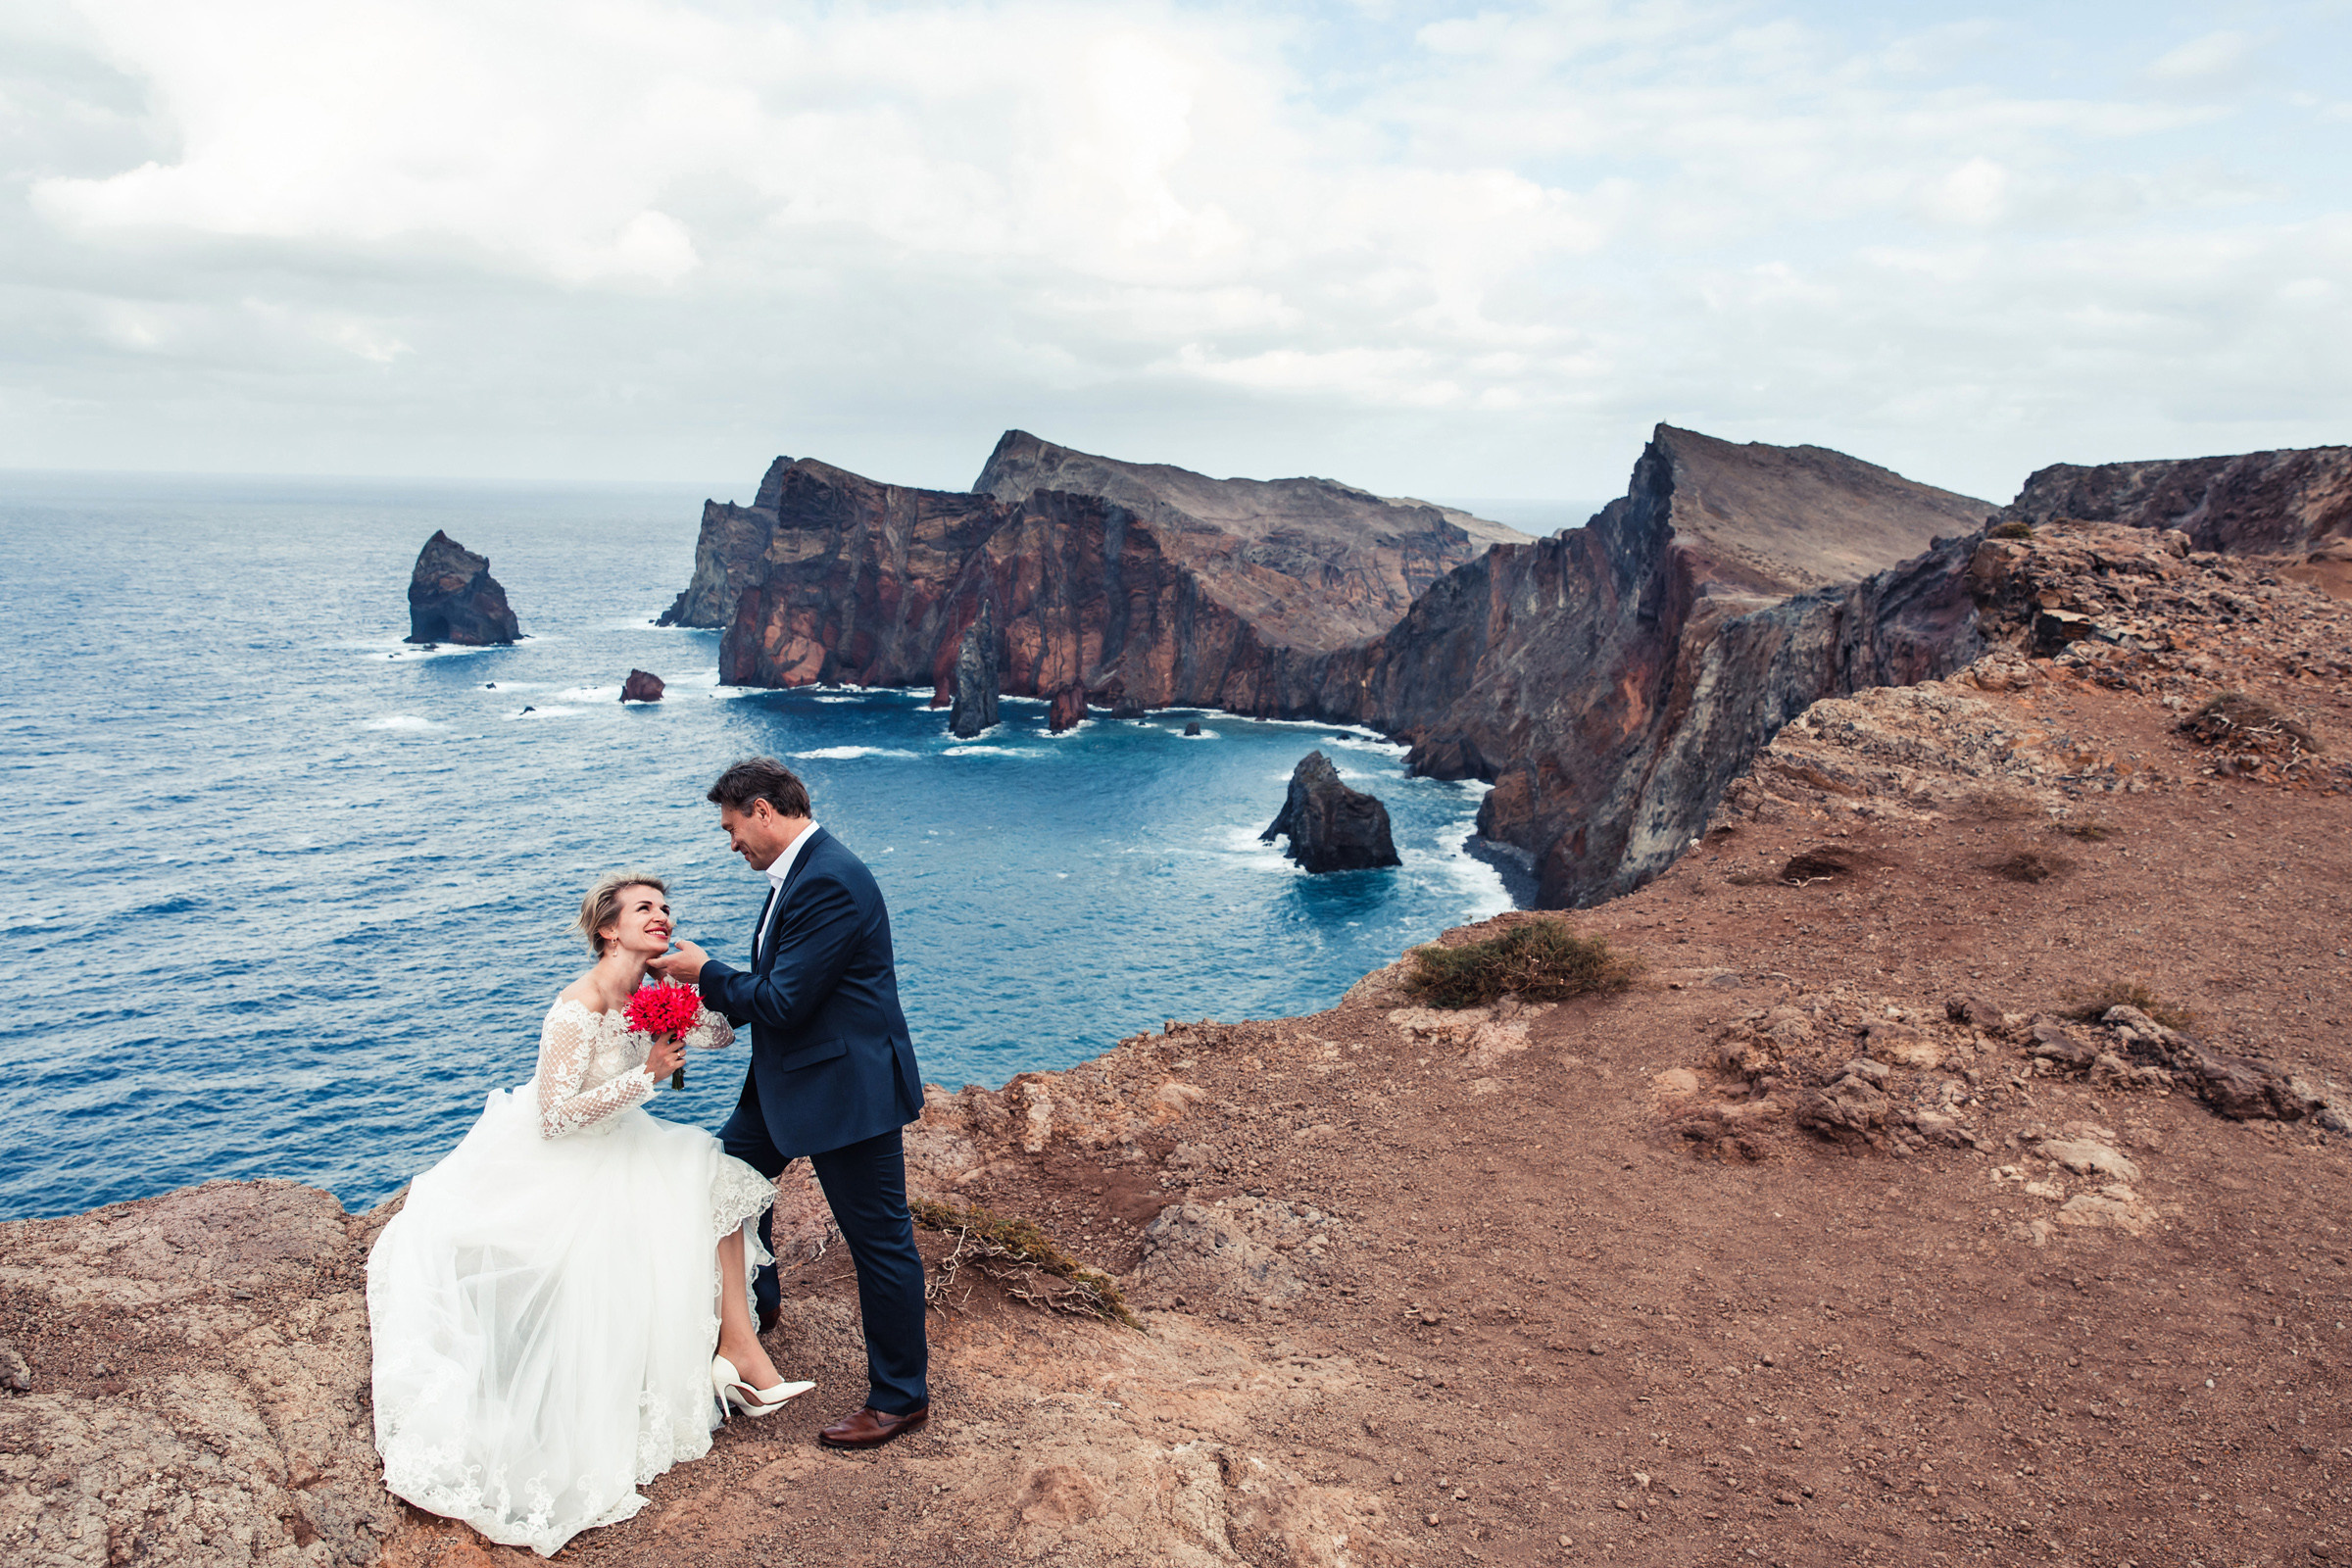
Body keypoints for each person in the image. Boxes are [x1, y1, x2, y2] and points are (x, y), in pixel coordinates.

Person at [367, 871, 810, 1557]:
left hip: (625, 1141)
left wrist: (687, 986)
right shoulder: (576, 1006)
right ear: (608, 929)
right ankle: (740, 1356)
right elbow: (553, 1117)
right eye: (644, 909)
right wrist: (648, 1075)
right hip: (565, 1159)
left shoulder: (646, 992)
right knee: (701, 1181)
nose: (661, 916)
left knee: (719, 1180)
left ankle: (738, 1350)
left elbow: (722, 1037)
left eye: (665, 908)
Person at [649, 757, 931, 1448]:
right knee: (724, 1180)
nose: (731, 843)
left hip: (847, 1092)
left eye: (732, 828)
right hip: (791, 1083)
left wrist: (705, 972)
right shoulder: (801, 872)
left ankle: (900, 1398)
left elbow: (782, 1000)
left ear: (764, 811)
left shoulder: (828, 879)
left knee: (880, 1243)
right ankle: (757, 1307)